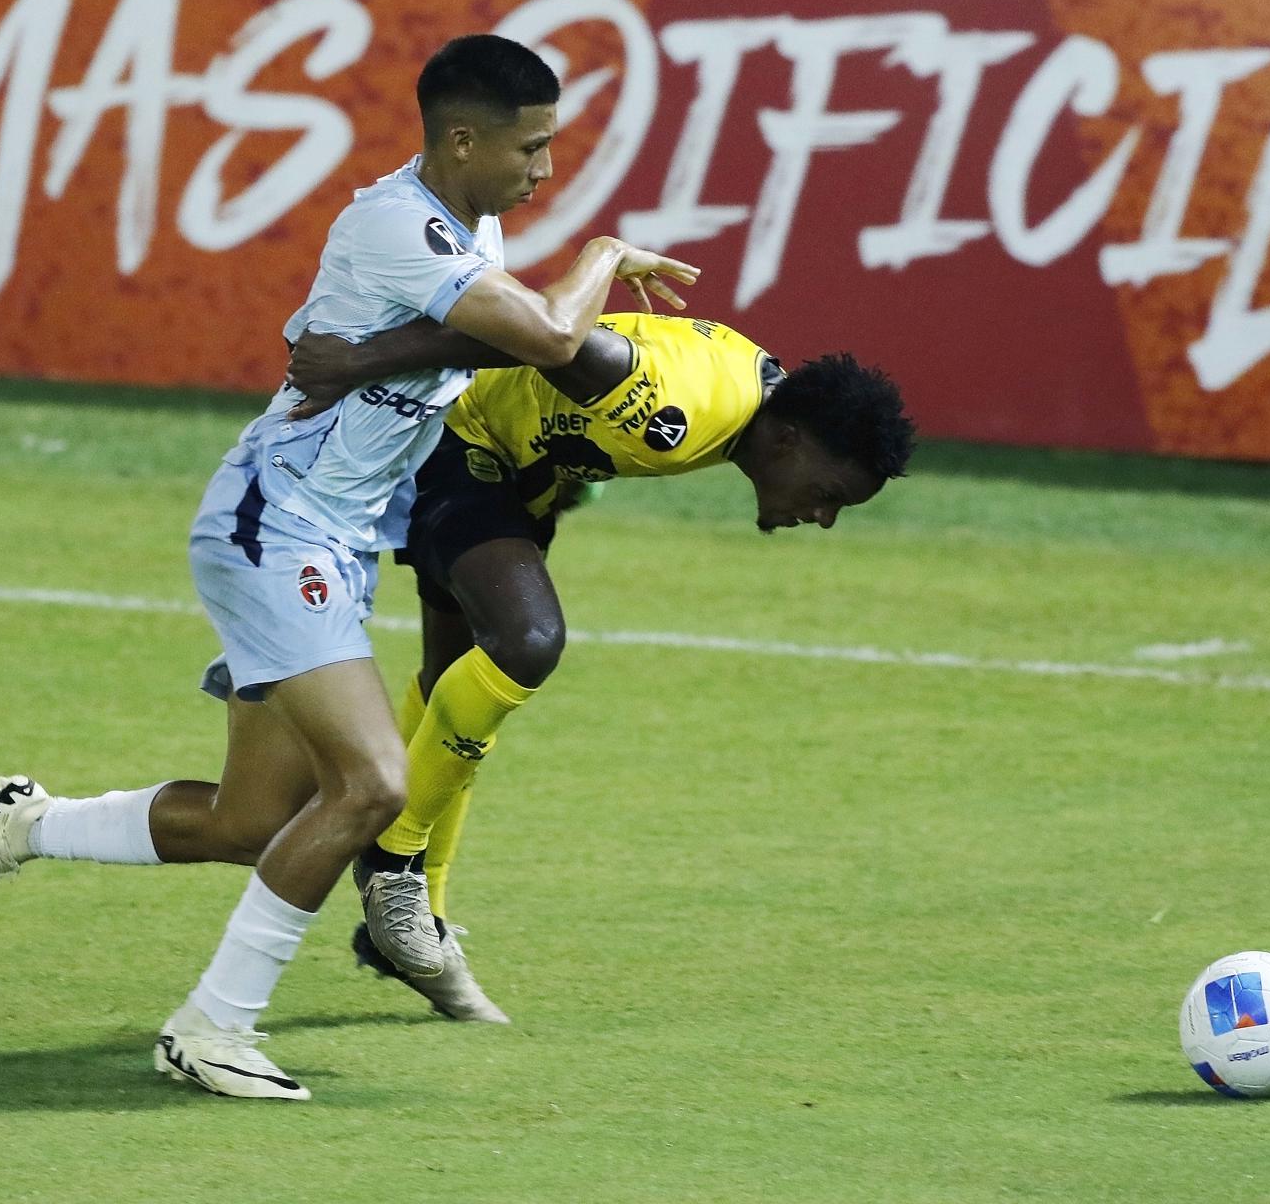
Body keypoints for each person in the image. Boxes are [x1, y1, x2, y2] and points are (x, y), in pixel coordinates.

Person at [0, 33, 699, 1100]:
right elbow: (553, 337)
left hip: (332, 535)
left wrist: (373, 361)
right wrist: (606, 252)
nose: (544, 169)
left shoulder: (473, 219)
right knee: (370, 782)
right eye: (533, 147)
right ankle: (212, 1026)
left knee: (252, 820)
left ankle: (28, 821)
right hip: (277, 524)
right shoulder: (396, 223)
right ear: (462, 139)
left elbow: (486, 344)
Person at [281, 309, 917, 1020]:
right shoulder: (676, 405)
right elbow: (539, 335)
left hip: (518, 465)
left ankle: (407, 920)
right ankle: (391, 861)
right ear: (790, 440)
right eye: (827, 495)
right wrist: (360, 360)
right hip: (457, 438)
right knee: (526, 642)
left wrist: (577, 459)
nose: (823, 518)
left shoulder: (752, 398)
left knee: (455, 678)